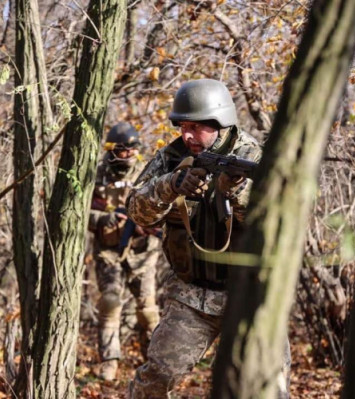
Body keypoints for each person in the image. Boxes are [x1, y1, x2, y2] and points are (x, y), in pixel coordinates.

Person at [126, 79, 290, 398]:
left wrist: (240, 193)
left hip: (251, 298)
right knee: (157, 378)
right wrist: (170, 185)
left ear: (220, 122)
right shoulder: (173, 158)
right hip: (191, 296)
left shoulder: (253, 158)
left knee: (266, 388)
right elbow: (137, 212)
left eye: (196, 128)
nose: (187, 136)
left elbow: (278, 227)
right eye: (183, 126)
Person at [88, 122, 161, 381]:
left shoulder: (147, 172)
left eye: (131, 151)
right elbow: (81, 211)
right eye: (122, 151)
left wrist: (146, 223)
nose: (127, 156)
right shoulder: (97, 174)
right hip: (108, 251)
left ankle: (153, 362)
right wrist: (105, 221)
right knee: (110, 302)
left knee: (147, 309)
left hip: (143, 252)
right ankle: (110, 361)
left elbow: (162, 206)